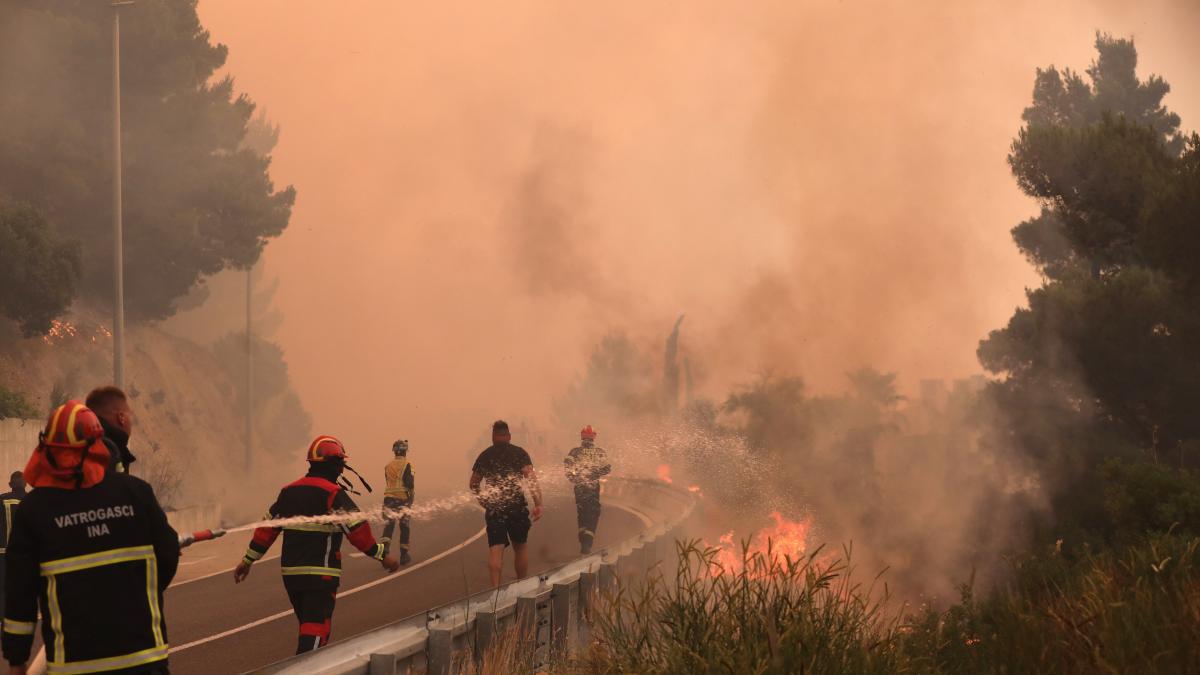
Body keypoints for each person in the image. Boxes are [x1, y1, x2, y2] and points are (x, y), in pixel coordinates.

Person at [2, 401, 179, 674]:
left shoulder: (34, 510)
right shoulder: (137, 493)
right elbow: (167, 556)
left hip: (74, 664)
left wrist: (17, 660)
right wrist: (136, 597)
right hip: (144, 659)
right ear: (98, 444)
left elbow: (19, 595)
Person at [234, 435, 399, 653]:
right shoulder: (332, 494)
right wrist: (382, 555)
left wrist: (247, 561)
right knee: (315, 632)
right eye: (341, 465)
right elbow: (357, 530)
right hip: (320, 576)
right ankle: (304, 668)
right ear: (334, 465)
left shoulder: (288, 492)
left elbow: (266, 530)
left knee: (309, 629)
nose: (342, 470)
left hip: (291, 576)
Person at [469, 420, 543, 587]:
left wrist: (484, 501)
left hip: (495, 508)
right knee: (521, 547)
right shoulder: (519, 453)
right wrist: (538, 504)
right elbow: (531, 479)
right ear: (508, 436)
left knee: (496, 550)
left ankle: (495, 592)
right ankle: (521, 586)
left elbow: (473, 483)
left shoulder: (485, 455)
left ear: (493, 437)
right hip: (517, 507)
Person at [564, 425, 611, 554]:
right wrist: (596, 474)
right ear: (594, 437)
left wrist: (573, 477)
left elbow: (567, 464)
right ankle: (587, 542)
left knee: (582, 511)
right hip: (593, 487)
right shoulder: (599, 452)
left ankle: (582, 537)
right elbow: (607, 468)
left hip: (579, 487)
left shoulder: (575, 451)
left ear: (582, 437)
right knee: (593, 512)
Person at [85, 386, 137, 474]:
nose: (131, 421)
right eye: (129, 414)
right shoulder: (112, 453)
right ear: (121, 417)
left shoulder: (83, 443)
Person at [381, 439, 414, 565]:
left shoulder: (388, 466)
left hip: (388, 499)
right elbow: (409, 483)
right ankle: (404, 555)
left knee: (389, 525)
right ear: (405, 451)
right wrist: (411, 499)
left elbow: (388, 482)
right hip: (403, 499)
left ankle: (384, 553)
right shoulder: (408, 465)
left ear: (394, 451)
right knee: (404, 526)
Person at [0, 471, 27, 618]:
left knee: (3, 588)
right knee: (24, 587)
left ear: (10, 484)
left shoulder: (1, 500)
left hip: (2, 553)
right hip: (24, 555)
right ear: (26, 483)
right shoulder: (32, 501)